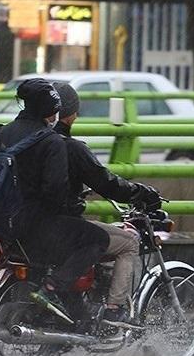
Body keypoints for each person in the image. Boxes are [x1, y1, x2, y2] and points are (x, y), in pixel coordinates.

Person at [0, 78, 109, 322]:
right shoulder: (51, 142)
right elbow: (55, 194)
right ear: (52, 111)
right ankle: (52, 291)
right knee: (97, 238)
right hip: (23, 227)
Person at [53, 82, 161, 328]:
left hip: (25, 224)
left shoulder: (23, 141)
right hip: (60, 228)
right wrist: (141, 193)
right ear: (72, 115)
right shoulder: (70, 147)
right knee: (128, 242)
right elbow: (107, 183)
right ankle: (114, 310)